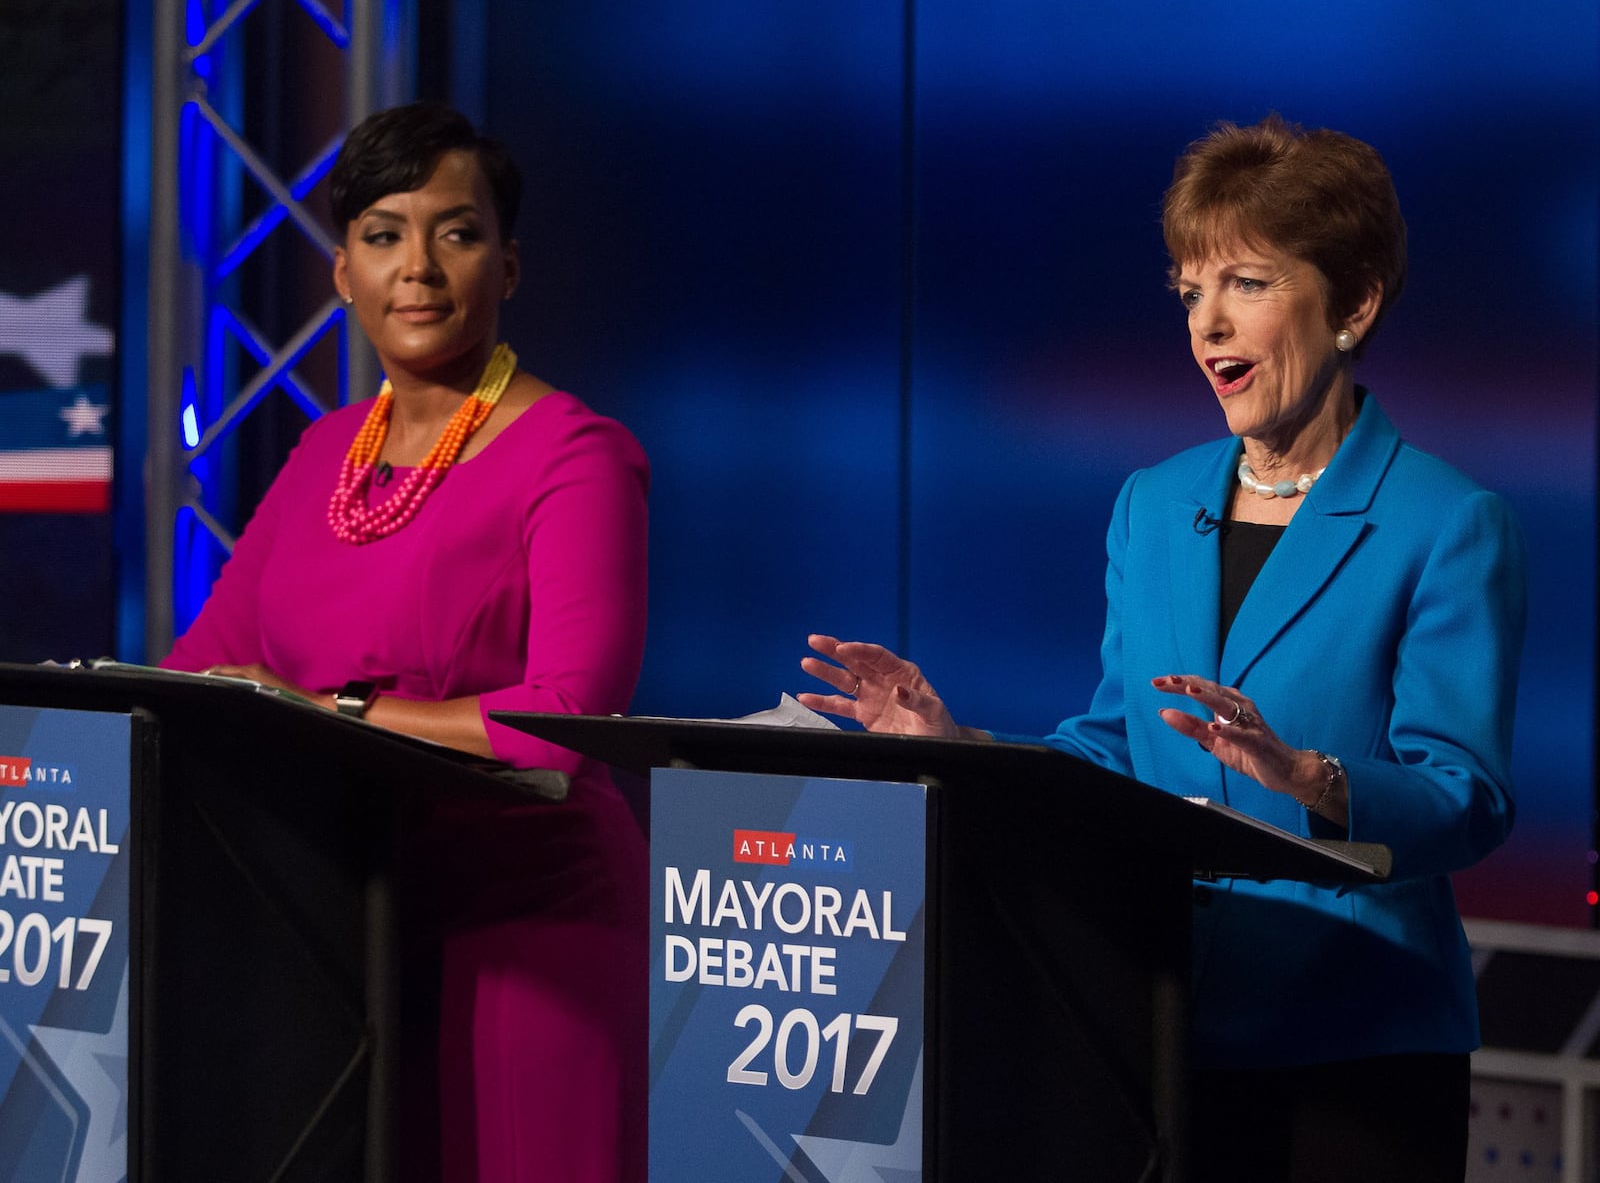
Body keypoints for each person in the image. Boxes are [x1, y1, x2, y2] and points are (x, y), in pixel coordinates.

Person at [799, 115, 1526, 1183]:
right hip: (1158, 1018)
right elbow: (1115, 743)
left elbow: (1466, 795)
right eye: (1190, 289)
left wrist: (1309, 776)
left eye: (1245, 282)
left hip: (1356, 1037)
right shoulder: (1152, 503)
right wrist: (956, 741)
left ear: (1353, 304)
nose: (1207, 323)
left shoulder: (1448, 522)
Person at [163, 102, 648, 1182]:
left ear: (508, 266)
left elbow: (563, 721)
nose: (418, 267)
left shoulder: (576, 456)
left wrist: (326, 713)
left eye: (456, 232)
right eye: (384, 234)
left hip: (530, 935)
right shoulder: (327, 452)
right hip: (328, 930)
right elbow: (204, 666)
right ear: (342, 274)